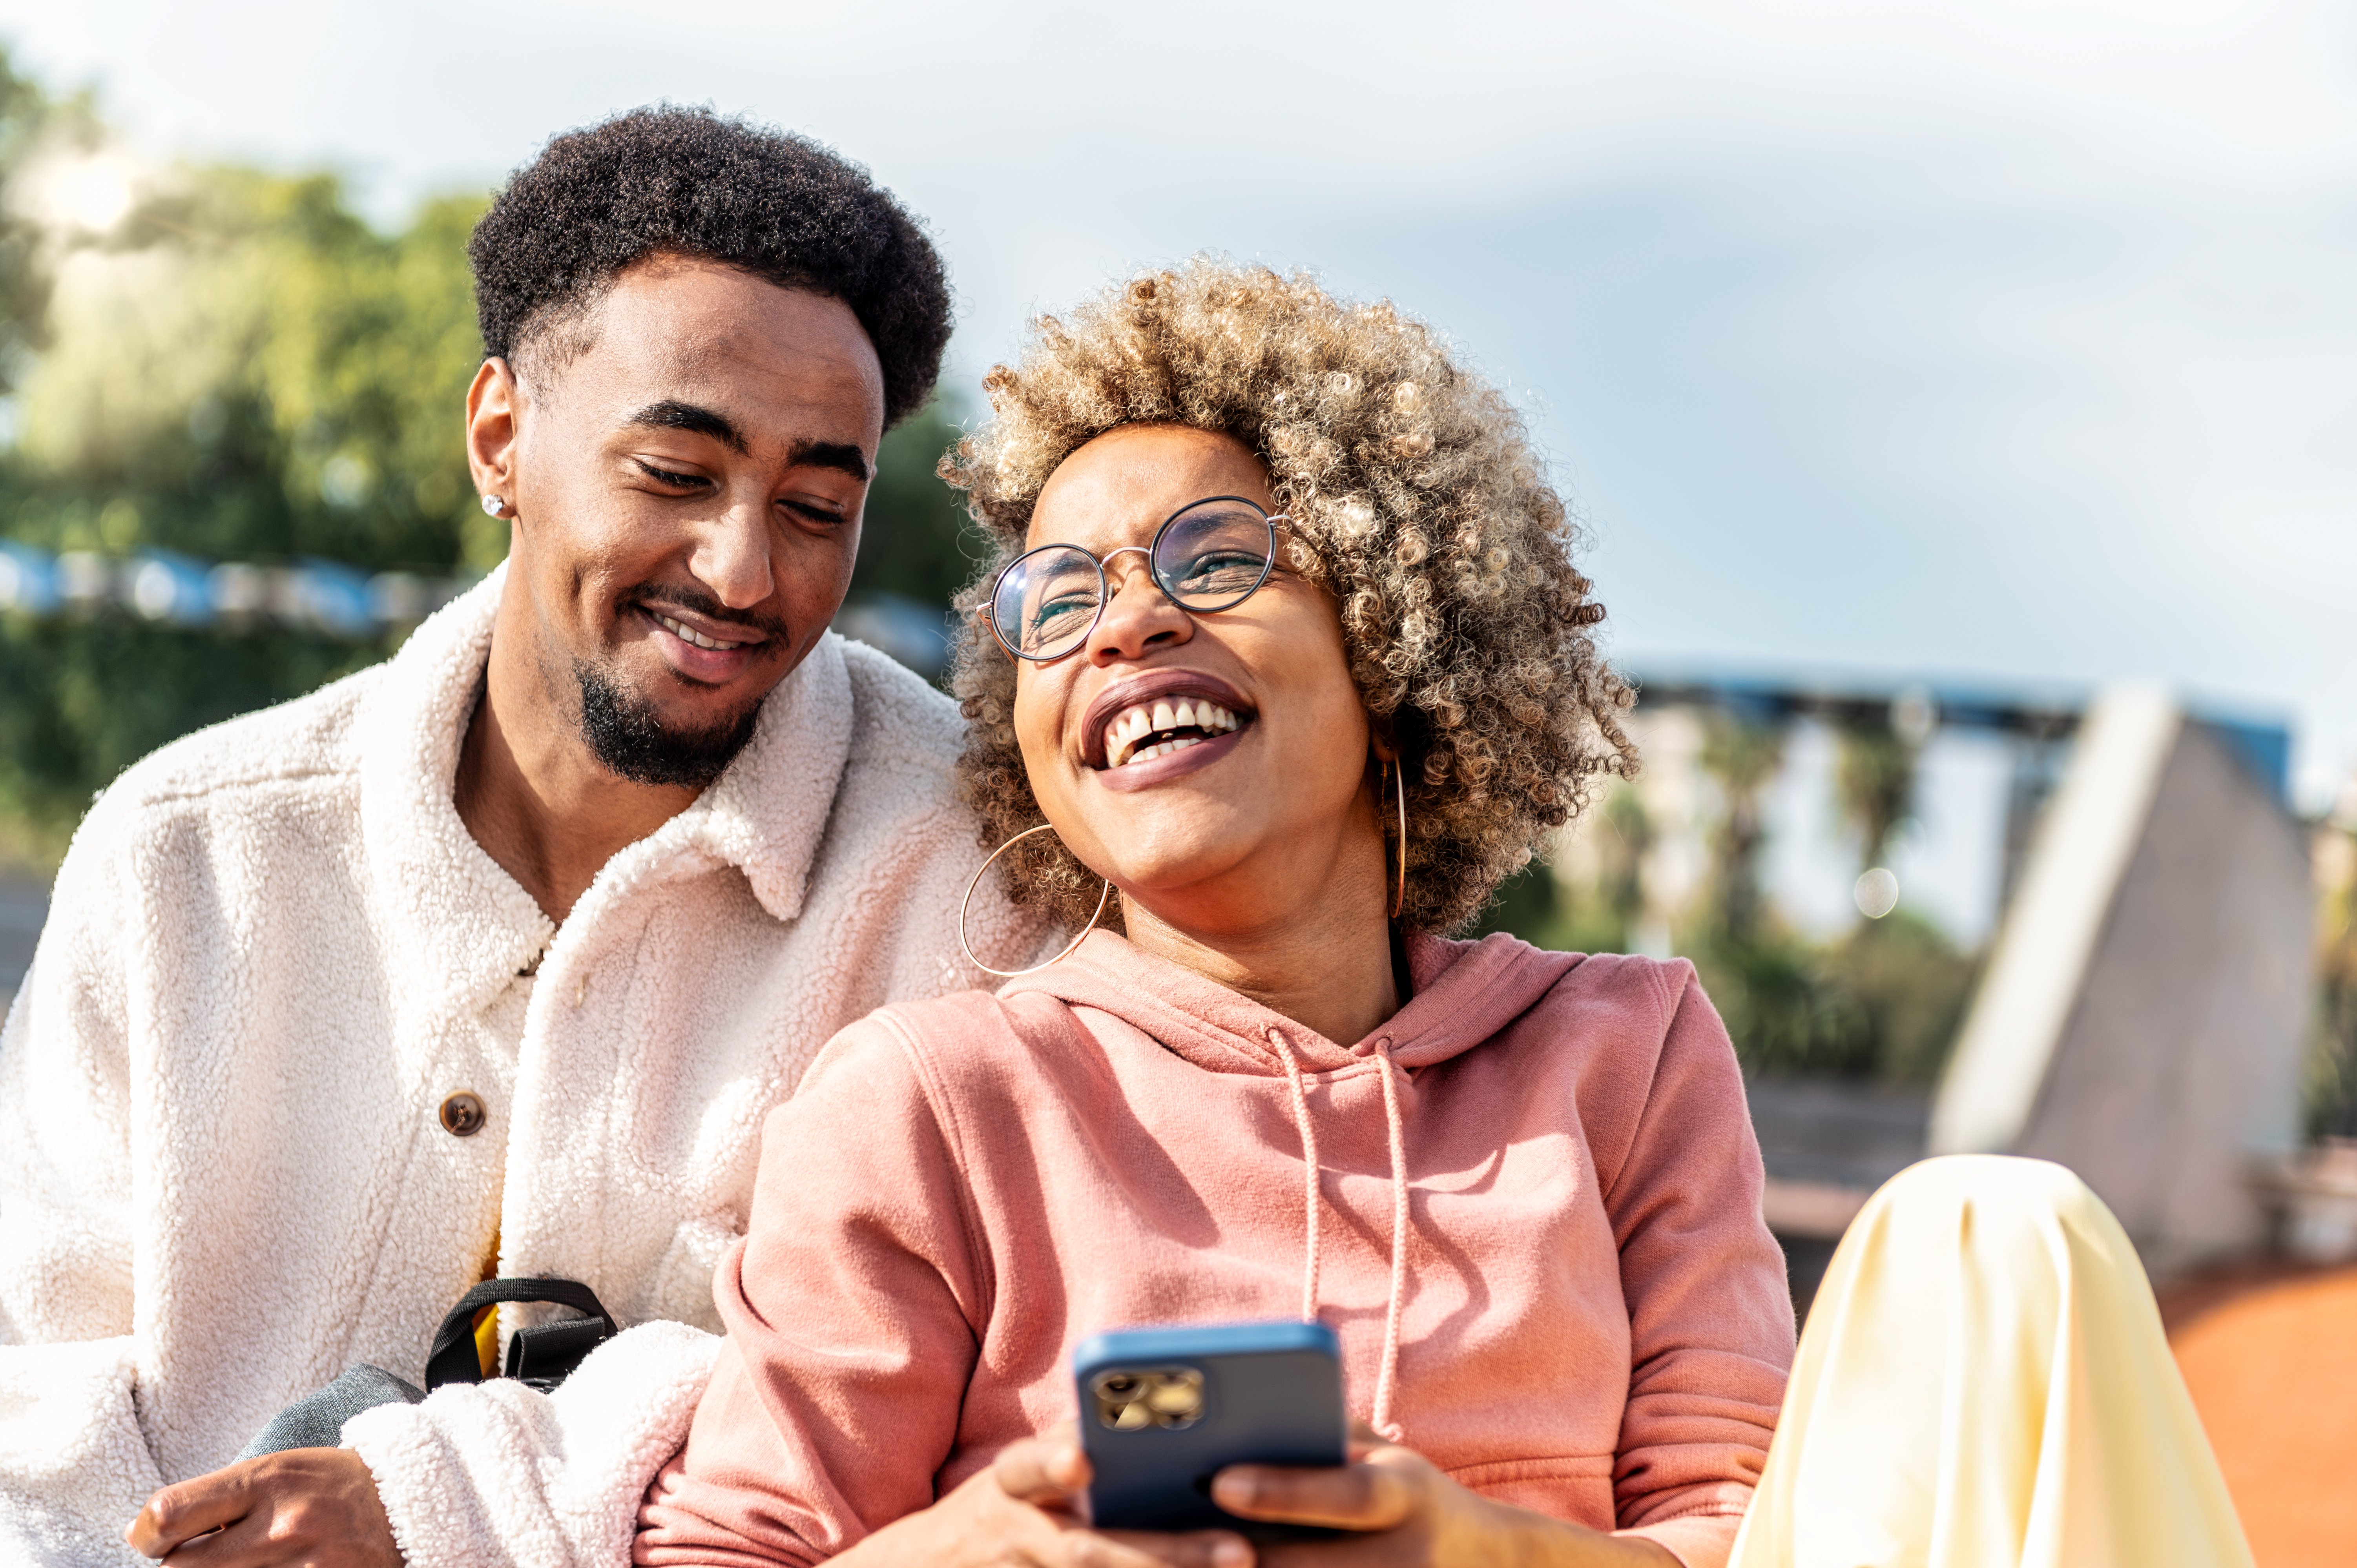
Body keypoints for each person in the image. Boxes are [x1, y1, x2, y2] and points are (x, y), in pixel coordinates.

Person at [631, 262, 2255, 1568]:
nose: (1123, 625)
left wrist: (1468, 1551)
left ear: (1393, 633)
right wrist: (970, 1549)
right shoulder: (929, 1100)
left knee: (1997, 1235)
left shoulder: (1621, 1052)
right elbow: (740, 1549)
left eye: (1212, 556)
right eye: (1056, 600)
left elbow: (1747, 1533)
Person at [0, 108, 1042, 1567]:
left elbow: (962, 1400)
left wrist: (455, 1502)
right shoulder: (182, 861)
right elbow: (27, 1409)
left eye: (817, 503)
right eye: (676, 474)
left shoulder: (979, 879)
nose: (745, 569)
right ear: (501, 434)